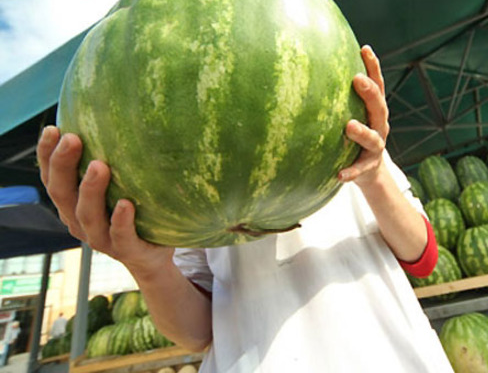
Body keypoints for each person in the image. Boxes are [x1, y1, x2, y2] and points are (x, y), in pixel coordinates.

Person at [37, 46, 453, 372]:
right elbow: (197, 333)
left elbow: (422, 255)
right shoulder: (188, 179)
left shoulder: (350, 147)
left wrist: (374, 174)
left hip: (389, 358)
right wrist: (148, 267)